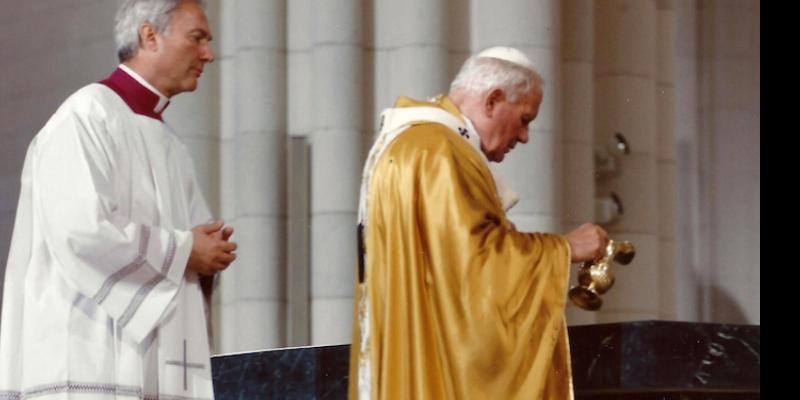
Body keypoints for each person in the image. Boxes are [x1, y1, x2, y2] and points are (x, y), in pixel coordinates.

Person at [0, 0, 236, 398]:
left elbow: (193, 248)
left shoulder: (172, 145)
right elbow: (82, 233)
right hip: (90, 355)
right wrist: (185, 251)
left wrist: (210, 253)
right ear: (149, 36)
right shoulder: (86, 116)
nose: (208, 55)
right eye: (197, 38)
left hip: (151, 361)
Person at [349, 46, 609, 399]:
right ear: (493, 100)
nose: (524, 137)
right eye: (524, 119)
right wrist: (564, 249)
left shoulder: (413, 144)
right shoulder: (442, 153)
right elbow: (473, 271)